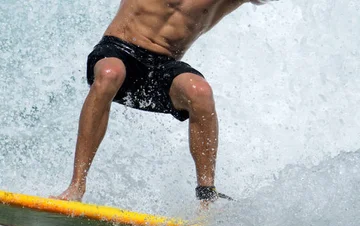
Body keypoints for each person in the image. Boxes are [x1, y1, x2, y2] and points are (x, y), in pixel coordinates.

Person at [54, 0, 269, 207]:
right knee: (111, 73)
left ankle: (206, 197)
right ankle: (77, 185)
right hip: (118, 50)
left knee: (200, 92)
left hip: (163, 67)